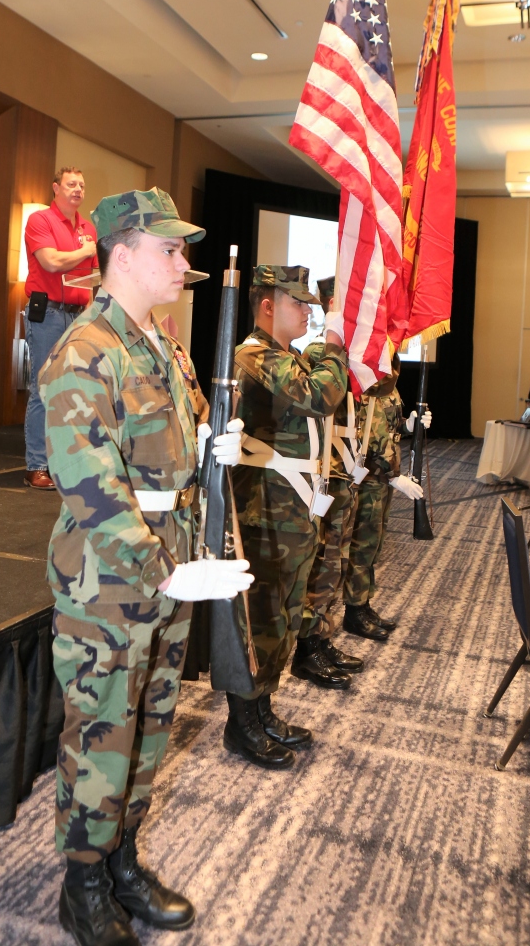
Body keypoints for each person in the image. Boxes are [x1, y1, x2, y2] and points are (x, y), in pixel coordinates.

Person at [40, 188, 252, 946]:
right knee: (103, 733)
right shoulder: (85, 351)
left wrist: (213, 443)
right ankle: (83, 885)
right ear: (122, 255)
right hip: (110, 581)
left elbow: (174, 440)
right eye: (169, 248)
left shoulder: (162, 345)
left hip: (170, 565)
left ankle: (122, 859)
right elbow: (91, 486)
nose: (182, 261)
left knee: (150, 725)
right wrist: (163, 571)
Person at [228, 265, 348, 768]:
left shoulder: (287, 356)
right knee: (262, 618)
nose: (307, 312)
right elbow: (321, 395)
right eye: (297, 303)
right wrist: (335, 343)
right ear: (267, 305)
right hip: (266, 511)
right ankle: (242, 722)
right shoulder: (254, 355)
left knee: (283, 616)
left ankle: (263, 710)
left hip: (291, 508)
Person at [292, 276, 363, 690]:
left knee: (335, 561)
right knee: (322, 564)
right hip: (327, 471)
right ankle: (308, 646)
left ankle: (320, 637)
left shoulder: (345, 350)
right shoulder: (320, 351)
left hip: (342, 469)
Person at [23, 167, 98, 490]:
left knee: (74, 391)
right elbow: (51, 262)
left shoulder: (88, 228)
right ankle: (37, 466)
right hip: (49, 314)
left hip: (79, 315)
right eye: (71, 184)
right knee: (44, 388)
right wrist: (85, 251)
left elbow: (93, 278)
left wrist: (92, 316)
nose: (78, 189)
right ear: (56, 188)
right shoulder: (40, 220)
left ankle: (66, 463)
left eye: (82, 184)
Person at [343, 361, 429, 642]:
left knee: (375, 545)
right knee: (362, 545)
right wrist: (393, 476)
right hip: (369, 478)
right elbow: (366, 438)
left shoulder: (388, 380)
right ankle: (353, 610)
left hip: (384, 479)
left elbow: (390, 428)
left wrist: (409, 424)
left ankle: (364, 603)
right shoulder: (366, 378)